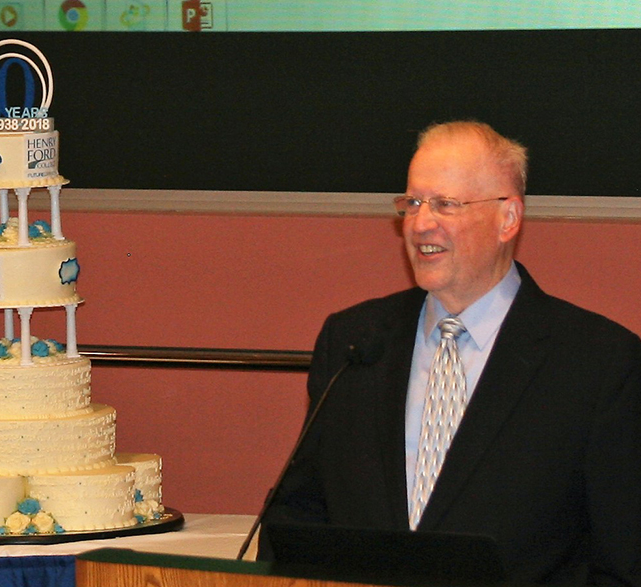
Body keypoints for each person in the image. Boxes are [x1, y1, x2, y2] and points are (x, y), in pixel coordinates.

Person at [258, 121, 641, 586]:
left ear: (508, 218)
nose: (420, 224)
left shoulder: (599, 364)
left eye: (445, 204)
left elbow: (622, 562)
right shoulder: (353, 342)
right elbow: (296, 514)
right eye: (412, 203)